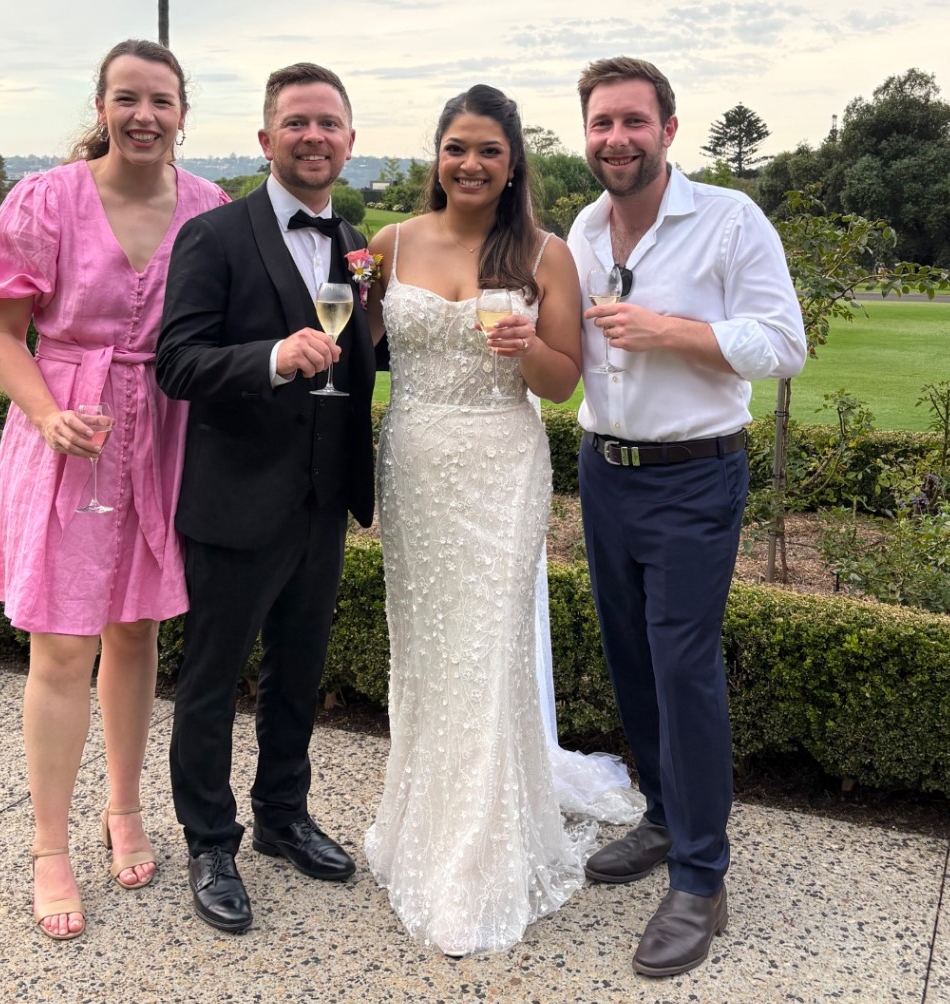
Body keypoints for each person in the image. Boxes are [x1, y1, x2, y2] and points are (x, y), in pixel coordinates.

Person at [0, 39, 229, 941]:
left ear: (184, 111)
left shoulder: (208, 208)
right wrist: (44, 414)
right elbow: (3, 335)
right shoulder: (42, 200)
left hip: (164, 432)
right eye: (127, 98)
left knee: (137, 629)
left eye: (161, 100)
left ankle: (123, 806)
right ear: (103, 106)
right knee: (65, 646)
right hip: (68, 433)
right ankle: (48, 846)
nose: (144, 115)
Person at [568, 57, 807, 977]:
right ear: (586, 135)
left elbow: (784, 346)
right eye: (601, 123)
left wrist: (671, 330)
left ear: (668, 129)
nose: (616, 138)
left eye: (633, 120)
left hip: (694, 478)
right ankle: (665, 819)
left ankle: (702, 876)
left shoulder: (730, 220)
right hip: (603, 470)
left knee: (684, 665)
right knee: (630, 657)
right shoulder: (583, 231)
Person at [361, 84, 600, 957]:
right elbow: (351, 342)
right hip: (418, 462)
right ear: (437, 155)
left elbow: (563, 380)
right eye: (457, 147)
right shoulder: (385, 246)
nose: (470, 163)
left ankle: (480, 855)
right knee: (428, 646)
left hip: (503, 465)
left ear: (512, 166)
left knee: (490, 649)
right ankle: (420, 823)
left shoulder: (546, 253)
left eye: (488, 151)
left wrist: (527, 348)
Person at [155, 63, 380, 935]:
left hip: (324, 500)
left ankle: (283, 816)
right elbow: (176, 363)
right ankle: (210, 840)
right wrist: (268, 359)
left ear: (350, 142)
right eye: (296, 123)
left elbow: (359, 356)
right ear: (265, 140)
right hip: (235, 499)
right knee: (212, 680)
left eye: (328, 123)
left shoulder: (357, 243)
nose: (313, 136)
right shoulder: (213, 237)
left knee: (301, 671)